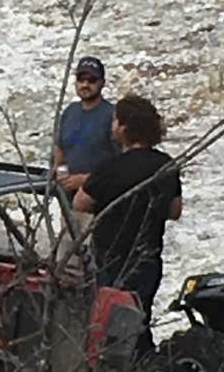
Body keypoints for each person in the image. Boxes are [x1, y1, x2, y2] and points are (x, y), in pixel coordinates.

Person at [74, 92, 183, 322]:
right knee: (140, 320)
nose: (112, 126)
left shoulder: (111, 168)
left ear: (124, 128)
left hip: (113, 260)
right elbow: (175, 211)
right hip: (149, 257)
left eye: (115, 120)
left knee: (110, 323)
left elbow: (80, 202)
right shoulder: (166, 165)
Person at [52, 57, 115, 191]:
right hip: (67, 195)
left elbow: (122, 163)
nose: (85, 85)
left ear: (102, 83)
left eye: (92, 80)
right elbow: (60, 148)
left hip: (99, 195)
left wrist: (85, 180)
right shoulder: (70, 111)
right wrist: (60, 172)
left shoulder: (113, 116)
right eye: (81, 79)